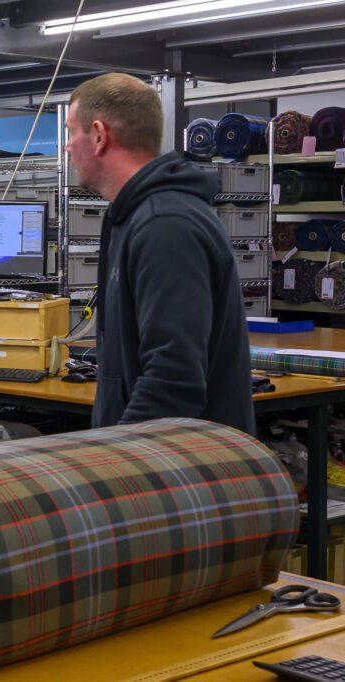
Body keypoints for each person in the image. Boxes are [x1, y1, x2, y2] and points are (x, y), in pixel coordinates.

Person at [64, 72, 254, 435]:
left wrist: (113, 464)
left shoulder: (164, 225)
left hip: (184, 470)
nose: (67, 146)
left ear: (100, 136)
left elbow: (173, 380)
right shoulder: (134, 216)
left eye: (73, 132)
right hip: (160, 459)